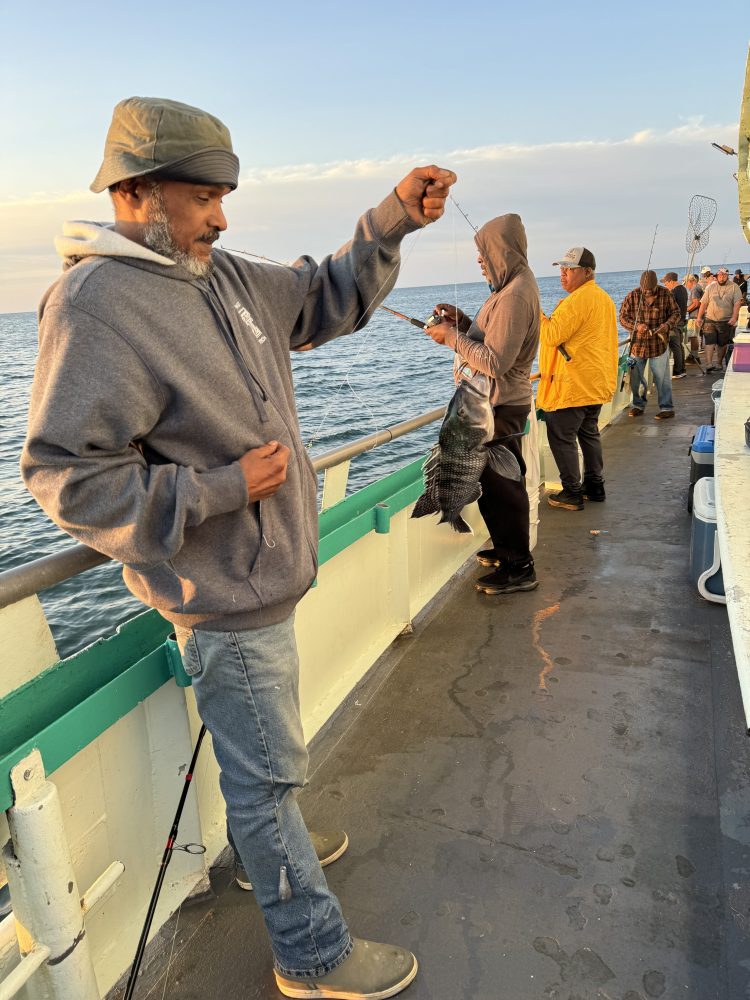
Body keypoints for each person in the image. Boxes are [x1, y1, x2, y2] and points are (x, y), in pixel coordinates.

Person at [20, 96, 457, 1000]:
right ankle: (313, 956)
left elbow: (322, 294)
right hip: (219, 596)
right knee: (265, 781)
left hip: (265, 579)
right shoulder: (92, 304)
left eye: (227, 194)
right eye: (205, 196)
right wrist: (222, 489)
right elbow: (65, 477)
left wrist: (392, 219)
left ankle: (272, 850)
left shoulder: (216, 272)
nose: (224, 215)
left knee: (265, 765)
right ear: (138, 192)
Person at [424, 214, 540, 595]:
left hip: (500, 406)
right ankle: (508, 550)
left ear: (501, 252)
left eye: (483, 253)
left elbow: (495, 362)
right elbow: (497, 340)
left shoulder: (516, 294)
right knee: (491, 481)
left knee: (503, 485)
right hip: (495, 405)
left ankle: (520, 567)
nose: (479, 261)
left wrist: (452, 338)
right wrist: (464, 322)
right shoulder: (508, 290)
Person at [536, 247, 618, 511]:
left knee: (562, 437)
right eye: (562, 269)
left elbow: (550, 336)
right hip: (594, 382)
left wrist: (535, 313)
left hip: (573, 385)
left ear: (587, 272)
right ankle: (595, 486)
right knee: (588, 433)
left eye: (569, 269)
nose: (563, 274)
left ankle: (571, 492)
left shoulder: (578, 300)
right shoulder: (602, 298)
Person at [619, 270, 680, 420]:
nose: (647, 292)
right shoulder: (632, 296)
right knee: (635, 379)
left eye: (650, 290)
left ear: (656, 285)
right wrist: (636, 326)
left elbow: (676, 313)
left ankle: (667, 407)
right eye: (644, 289)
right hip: (637, 347)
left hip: (658, 345)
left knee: (662, 379)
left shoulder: (666, 294)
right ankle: (638, 405)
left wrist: (667, 325)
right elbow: (622, 317)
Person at [697, 266, 744, 370]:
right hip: (710, 318)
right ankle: (709, 364)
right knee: (709, 341)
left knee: (722, 344)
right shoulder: (710, 287)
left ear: (727, 276)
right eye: (720, 275)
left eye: (724, 275)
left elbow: (737, 303)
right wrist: (699, 317)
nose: (721, 277)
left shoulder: (734, 287)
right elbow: (703, 303)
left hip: (726, 320)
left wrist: (734, 317)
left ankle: (718, 363)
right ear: (717, 276)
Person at [661, 272, 688, 379]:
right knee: (679, 345)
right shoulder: (683, 289)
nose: (665, 285)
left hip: (675, 323)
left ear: (671, 281)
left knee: (675, 345)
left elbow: (668, 308)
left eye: (666, 282)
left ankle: (677, 370)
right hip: (681, 321)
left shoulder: (674, 291)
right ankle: (682, 369)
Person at [684, 274, 703, 362]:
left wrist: (686, 310)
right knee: (694, 336)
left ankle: (695, 357)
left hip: (694, 315)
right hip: (696, 315)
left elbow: (696, 303)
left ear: (690, 281)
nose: (685, 286)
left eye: (685, 283)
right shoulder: (698, 287)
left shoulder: (694, 288)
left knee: (693, 336)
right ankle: (694, 355)